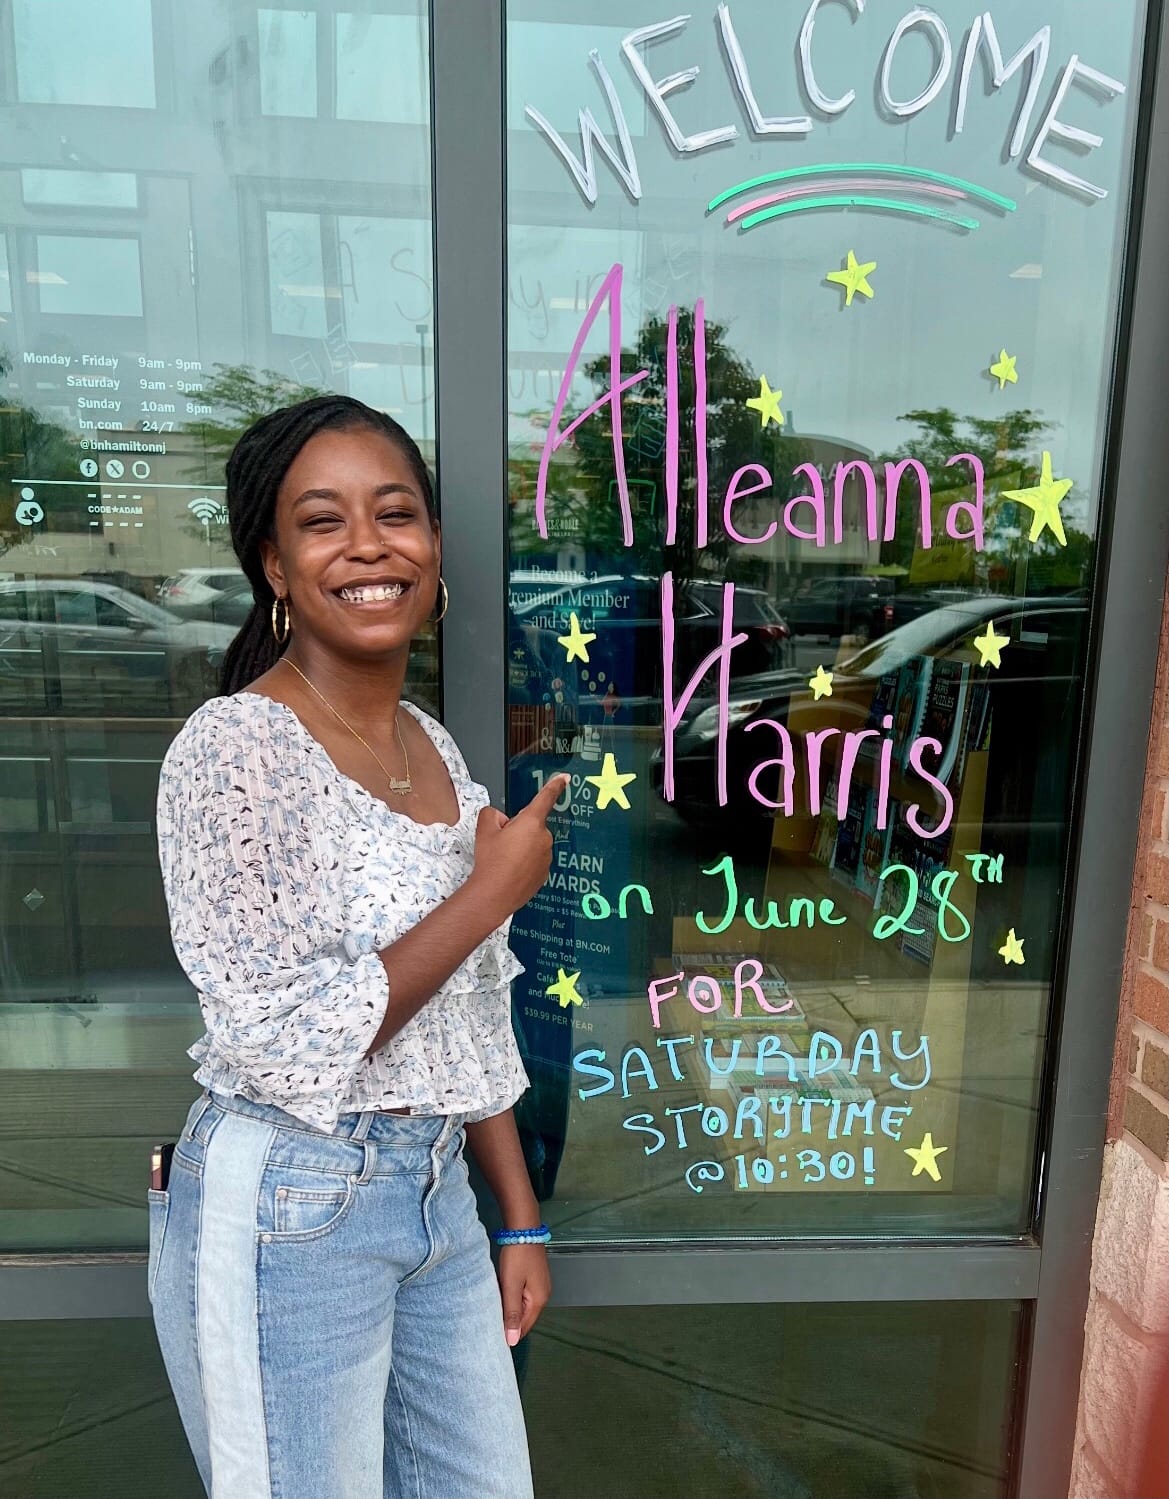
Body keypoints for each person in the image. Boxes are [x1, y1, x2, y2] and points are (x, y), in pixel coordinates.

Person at [149, 395, 565, 1499]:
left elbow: (468, 1010)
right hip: (289, 1196)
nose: (369, 545)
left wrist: (515, 1213)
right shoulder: (232, 750)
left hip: (434, 1194)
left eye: (396, 513)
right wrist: (490, 893)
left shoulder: (427, 741)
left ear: (432, 547)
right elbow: (285, 1041)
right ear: (275, 567)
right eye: (321, 521)